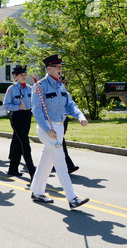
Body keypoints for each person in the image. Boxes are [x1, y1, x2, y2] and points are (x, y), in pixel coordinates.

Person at [30, 54, 89, 209]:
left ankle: (36, 191)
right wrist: (47, 129)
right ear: (48, 68)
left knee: (46, 161)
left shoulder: (60, 86)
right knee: (61, 162)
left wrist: (80, 116)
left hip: (60, 126)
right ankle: (72, 198)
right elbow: (37, 111)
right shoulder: (40, 86)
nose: (60, 69)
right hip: (48, 129)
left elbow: (70, 105)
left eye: (61, 67)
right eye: (57, 67)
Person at [3, 65, 36, 180]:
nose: (24, 77)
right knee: (25, 143)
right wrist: (17, 107)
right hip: (16, 116)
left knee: (18, 142)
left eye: (25, 75)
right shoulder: (11, 89)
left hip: (27, 115)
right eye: (21, 75)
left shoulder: (30, 88)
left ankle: (13, 169)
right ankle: (32, 171)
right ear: (15, 77)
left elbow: (34, 102)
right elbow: (6, 105)